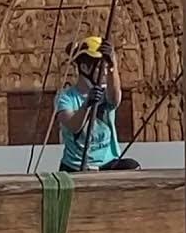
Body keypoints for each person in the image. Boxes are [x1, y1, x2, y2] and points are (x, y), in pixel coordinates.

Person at [54, 36, 139, 172]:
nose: (104, 72)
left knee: (133, 167)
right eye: (100, 68)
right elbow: (73, 126)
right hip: (75, 166)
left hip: (107, 163)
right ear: (84, 68)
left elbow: (115, 98)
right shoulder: (65, 97)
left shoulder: (105, 91)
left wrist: (113, 65)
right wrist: (87, 105)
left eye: (105, 68)